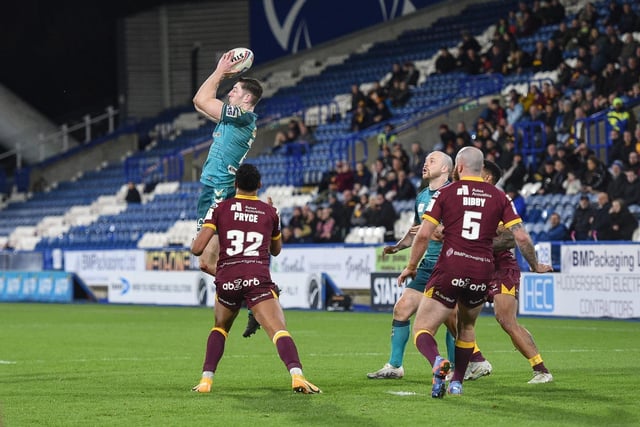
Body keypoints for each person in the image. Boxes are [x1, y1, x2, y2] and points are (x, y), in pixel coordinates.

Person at [398, 147, 552, 398]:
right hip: (483, 269)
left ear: (459, 167)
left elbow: (425, 233)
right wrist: (535, 265)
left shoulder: (446, 193)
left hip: (462, 266)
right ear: (481, 170)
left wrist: (411, 266)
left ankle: (438, 361)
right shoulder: (500, 197)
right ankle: (459, 380)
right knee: (464, 325)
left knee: (424, 327)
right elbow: (521, 236)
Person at [190, 164, 320, 394]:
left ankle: (205, 381)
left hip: (227, 278)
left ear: (235, 184)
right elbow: (276, 251)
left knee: (220, 328)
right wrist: (270, 221)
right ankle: (297, 376)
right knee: (278, 329)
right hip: (256, 278)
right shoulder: (270, 212)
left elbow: (197, 249)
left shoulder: (220, 207)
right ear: (259, 185)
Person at [192, 51, 264, 337]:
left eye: (235, 90)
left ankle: (256, 296)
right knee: (211, 263)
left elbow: (201, 100)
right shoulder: (231, 119)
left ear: (246, 99)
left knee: (207, 261)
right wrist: (219, 75)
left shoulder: (243, 116)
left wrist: (221, 71)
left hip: (219, 191)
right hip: (211, 189)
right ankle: (254, 296)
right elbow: (200, 101)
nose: (229, 93)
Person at [367, 151, 456, 379]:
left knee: (451, 319)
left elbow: (457, 232)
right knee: (402, 308)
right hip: (427, 265)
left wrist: (439, 233)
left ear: (446, 168)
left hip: (450, 264)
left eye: (432, 161)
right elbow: (417, 231)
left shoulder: (454, 194)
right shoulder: (422, 197)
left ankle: (457, 368)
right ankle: (395, 366)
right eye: (425, 161)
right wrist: (397, 247)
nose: (425, 164)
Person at [480, 160, 554, 384]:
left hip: (500, 267)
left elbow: (515, 236)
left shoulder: (499, 201)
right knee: (452, 314)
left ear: (487, 178)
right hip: (472, 265)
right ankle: (474, 361)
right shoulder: (464, 197)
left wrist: (535, 265)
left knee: (506, 320)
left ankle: (541, 370)